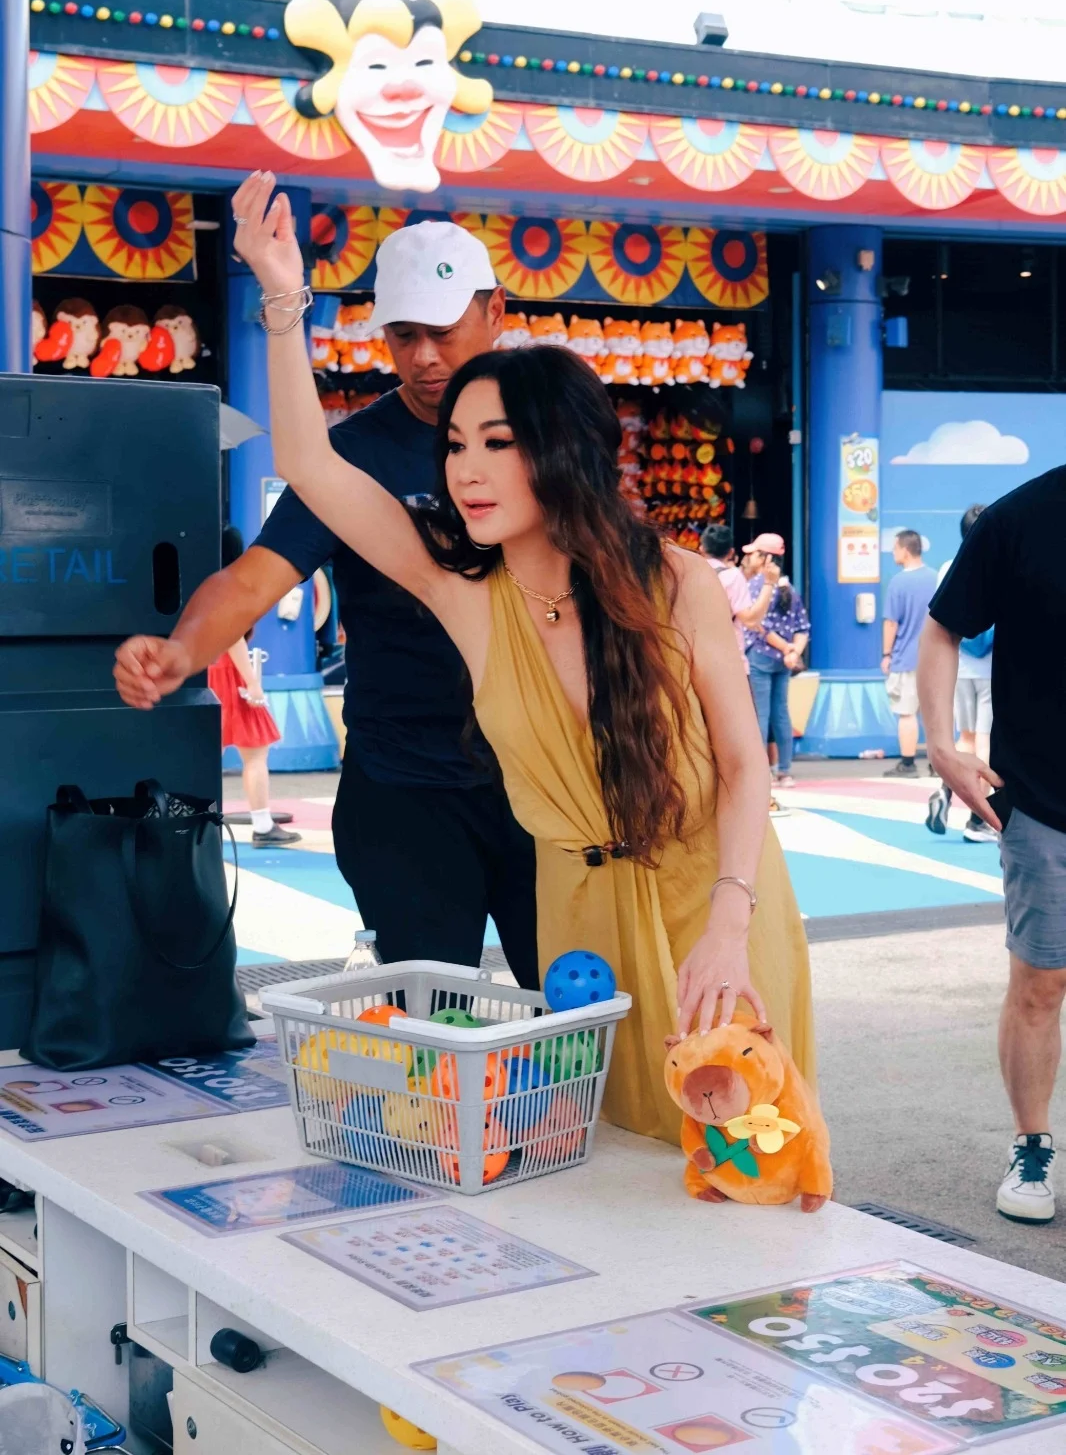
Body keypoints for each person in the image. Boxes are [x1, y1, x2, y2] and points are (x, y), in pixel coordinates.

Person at [224, 171, 819, 1161]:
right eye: (455, 445)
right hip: (578, 920)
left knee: (744, 1159)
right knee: (597, 1157)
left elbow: (741, 763)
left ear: (559, 453)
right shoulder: (466, 594)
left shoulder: (675, 582)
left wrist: (728, 921)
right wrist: (284, 301)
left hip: (714, 905)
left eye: (494, 443)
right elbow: (315, 468)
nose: (464, 469)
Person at [113, 213, 539, 991]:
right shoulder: (354, 456)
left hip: (547, 775)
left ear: (496, 312)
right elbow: (252, 578)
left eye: (443, 331)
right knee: (431, 1015)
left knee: (581, 1007)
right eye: (403, 334)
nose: (424, 355)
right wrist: (182, 651)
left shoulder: (552, 431)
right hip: (406, 787)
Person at [919, 467, 1066, 1223]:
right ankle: (1031, 1144)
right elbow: (943, 626)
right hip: (1042, 799)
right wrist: (941, 745)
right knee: (1041, 983)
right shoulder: (1021, 518)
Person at [207, 525, 301, 848]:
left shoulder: (199, 581)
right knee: (256, 753)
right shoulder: (230, 585)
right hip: (230, 673)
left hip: (206, 670)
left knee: (207, 754)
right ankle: (262, 824)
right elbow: (233, 636)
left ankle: (199, 821)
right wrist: (252, 683)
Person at [926, 504, 995, 843]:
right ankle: (977, 819)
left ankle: (945, 790)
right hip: (991, 669)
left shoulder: (947, 568)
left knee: (964, 738)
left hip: (958, 666)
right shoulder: (1002, 565)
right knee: (985, 740)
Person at [743, 539, 810, 792]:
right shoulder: (789, 588)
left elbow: (757, 626)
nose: (750, 558)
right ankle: (785, 770)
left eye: (754, 554)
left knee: (760, 715)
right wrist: (793, 652)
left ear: (766, 558)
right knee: (781, 713)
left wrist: (785, 649)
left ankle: (763, 772)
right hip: (783, 662)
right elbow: (802, 627)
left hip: (760, 657)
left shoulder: (756, 586)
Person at [881, 530, 937, 779]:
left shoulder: (898, 582)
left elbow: (891, 623)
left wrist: (886, 654)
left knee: (907, 713)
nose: (893, 553)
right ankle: (937, 766)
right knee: (933, 715)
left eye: (895, 548)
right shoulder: (936, 578)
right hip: (935, 658)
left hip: (906, 658)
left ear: (905, 550)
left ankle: (907, 764)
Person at [698, 523, 773, 669]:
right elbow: (750, 620)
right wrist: (769, 583)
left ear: (701, 549)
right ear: (731, 552)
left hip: (697, 660)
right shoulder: (732, 576)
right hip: (728, 660)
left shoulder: (689, 575)